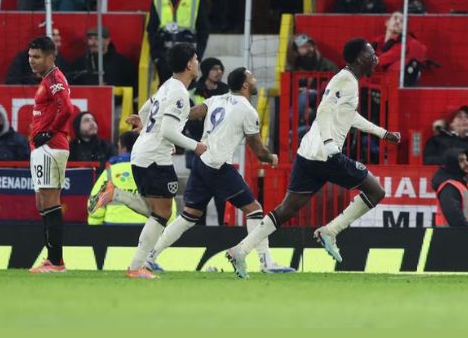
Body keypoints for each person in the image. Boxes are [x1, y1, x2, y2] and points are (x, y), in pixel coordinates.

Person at [226, 38, 402, 278]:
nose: (376, 58)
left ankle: (240, 250)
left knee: (287, 209)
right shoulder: (345, 80)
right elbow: (324, 110)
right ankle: (330, 231)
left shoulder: (348, 80)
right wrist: (330, 145)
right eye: (371, 54)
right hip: (325, 155)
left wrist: (383, 133)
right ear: (360, 58)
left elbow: (349, 116)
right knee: (375, 191)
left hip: (308, 153)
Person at [136, 68, 295, 274]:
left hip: (201, 161)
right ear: (245, 85)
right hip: (218, 166)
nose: (255, 81)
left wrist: (158, 119)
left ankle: (151, 256)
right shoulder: (248, 111)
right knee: (254, 210)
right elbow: (257, 149)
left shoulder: (216, 99)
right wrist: (271, 158)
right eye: (252, 78)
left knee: (189, 215)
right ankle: (266, 262)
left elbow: (190, 113)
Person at [119, 43, 208, 279]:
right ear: (189, 65)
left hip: (143, 152)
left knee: (156, 211)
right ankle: (137, 267)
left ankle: (117, 195)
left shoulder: (168, 85)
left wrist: (144, 124)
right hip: (155, 157)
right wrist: (196, 146)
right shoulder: (180, 93)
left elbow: (145, 109)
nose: (197, 62)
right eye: (195, 59)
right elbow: (168, 131)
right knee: (162, 213)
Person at [26, 36, 74, 273]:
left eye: (36, 57)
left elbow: (67, 109)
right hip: (42, 148)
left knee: (50, 200)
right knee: (42, 201)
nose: (31, 61)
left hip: (51, 146)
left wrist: (49, 133)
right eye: (30, 56)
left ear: (50, 57)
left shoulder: (55, 78)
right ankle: (51, 259)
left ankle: (56, 262)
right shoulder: (47, 79)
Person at [147, 0, 208, 84]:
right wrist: (156, 56)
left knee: (187, 92)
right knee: (167, 93)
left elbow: (203, 30)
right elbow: (151, 29)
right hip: (165, 56)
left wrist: (198, 57)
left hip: (188, 55)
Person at [87, 131, 158, 225]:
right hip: (146, 226)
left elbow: (95, 204)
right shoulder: (153, 171)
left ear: (123, 149)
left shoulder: (110, 172)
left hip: (113, 226)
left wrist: (96, 228)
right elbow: (166, 204)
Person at [286, 33, 339, 140]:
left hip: (322, 114)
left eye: (310, 45)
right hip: (301, 117)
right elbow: (288, 95)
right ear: (296, 51)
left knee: (306, 94)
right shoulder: (294, 69)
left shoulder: (329, 67)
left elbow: (335, 95)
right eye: (303, 47)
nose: (309, 49)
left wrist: (313, 112)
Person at [371, 11, 430, 86]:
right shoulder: (376, 42)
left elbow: (382, 60)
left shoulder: (406, 44)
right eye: (395, 18)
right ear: (387, 22)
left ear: (405, 28)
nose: (398, 22)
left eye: (402, 21)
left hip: (394, 85)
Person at [69, 26, 136, 89]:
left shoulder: (122, 64)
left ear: (107, 41)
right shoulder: (79, 64)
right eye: (90, 39)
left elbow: (132, 87)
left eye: (97, 39)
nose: (92, 43)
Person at [433, 148, 468, 228]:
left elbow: (464, 213)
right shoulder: (449, 187)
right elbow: (454, 217)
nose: (467, 163)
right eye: (461, 160)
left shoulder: (456, 185)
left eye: (466, 160)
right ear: (452, 164)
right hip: (454, 235)